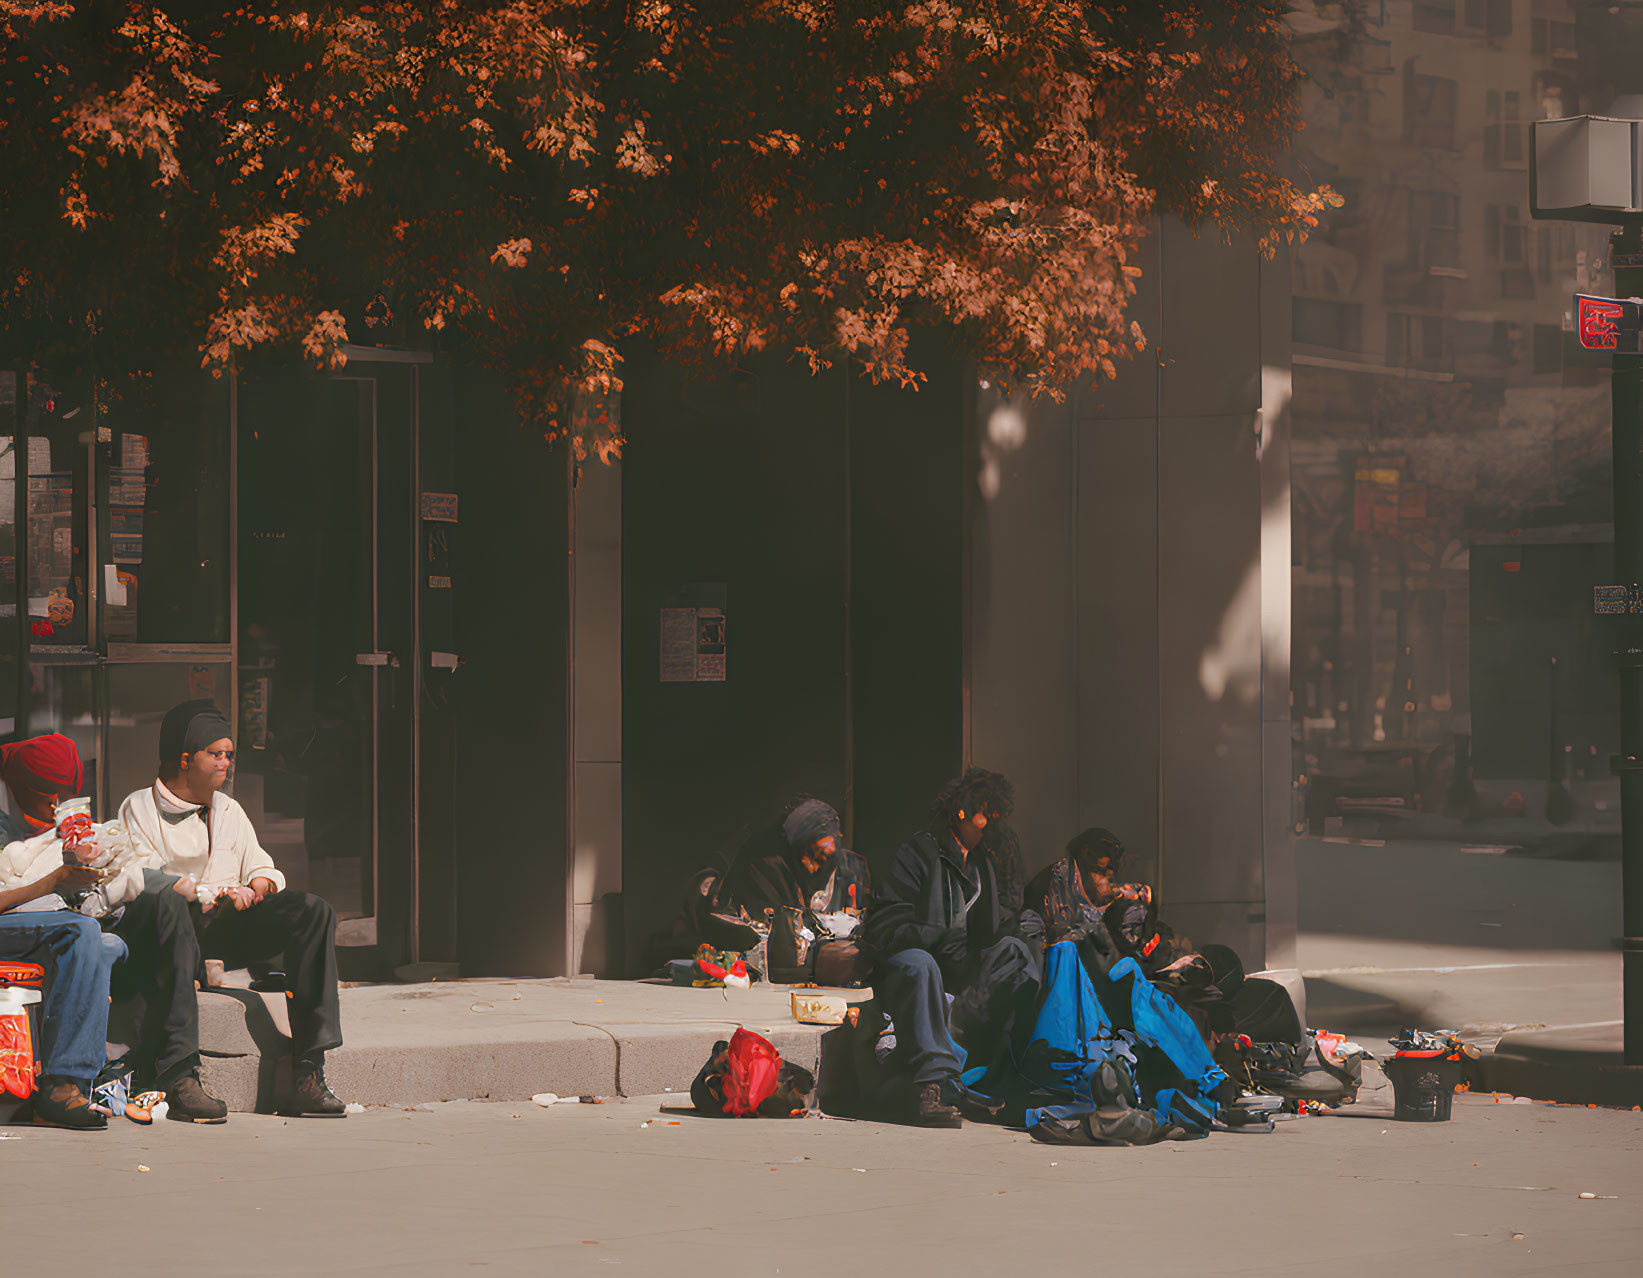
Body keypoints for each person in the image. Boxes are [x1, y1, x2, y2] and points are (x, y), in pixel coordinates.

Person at [114, 699, 347, 1120]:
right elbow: (142, 878)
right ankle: (179, 1075)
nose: (226, 763)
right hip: (168, 929)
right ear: (185, 760)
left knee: (313, 911)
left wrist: (256, 887)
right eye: (216, 754)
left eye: (229, 755)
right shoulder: (140, 807)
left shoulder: (229, 809)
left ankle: (308, 1073)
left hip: (224, 926)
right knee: (168, 898)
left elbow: (260, 865)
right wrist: (207, 892)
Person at [860, 768, 1041, 1128]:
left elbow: (985, 938)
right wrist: (938, 938)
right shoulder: (918, 853)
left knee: (1015, 952)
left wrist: (1021, 927)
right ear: (960, 812)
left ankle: (1014, 1074)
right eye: (984, 813)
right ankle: (934, 1083)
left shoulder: (981, 865)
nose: (989, 822)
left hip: (961, 979)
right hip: (914, 977)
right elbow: (885, 928)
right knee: (920, 962)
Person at [0, 735, 127, 1130]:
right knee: (81, 932)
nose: (55, 806)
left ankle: (81, 1076)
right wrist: (53, 882)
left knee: (108, 943)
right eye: (49, 797)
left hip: (32, 918)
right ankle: (62, 1086)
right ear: (22, 788)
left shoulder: (24, 821)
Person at [709, 797, 871, 985]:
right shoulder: (768, 871)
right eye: (811, 855)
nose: (813, 867)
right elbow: (781, 948)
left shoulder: (851, 868)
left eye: (824, 856)